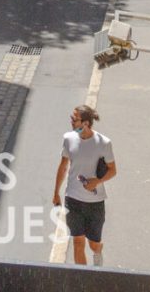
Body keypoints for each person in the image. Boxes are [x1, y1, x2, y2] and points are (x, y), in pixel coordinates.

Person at [52, 104, 117, 267]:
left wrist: (97, 181)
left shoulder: (104, 143)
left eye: (75, 119)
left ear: (86, 123)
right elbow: (63, 166)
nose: (72, 121)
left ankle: (98, 250)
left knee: (93, 244)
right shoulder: (68, 139)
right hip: (73, 199)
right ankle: (83, 279)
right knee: (78, 242)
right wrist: (56, 193)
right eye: (72, 118)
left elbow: (113, 170)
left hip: (95, 203)